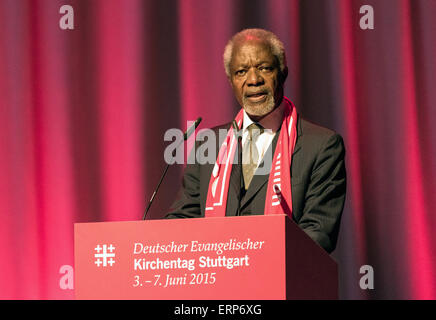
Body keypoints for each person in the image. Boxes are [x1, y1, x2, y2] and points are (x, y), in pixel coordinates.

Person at [165, 29, 346, 253]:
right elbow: (183, 220)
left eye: (264, 68)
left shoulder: (321, 146)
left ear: (283, 73)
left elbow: (318, 233)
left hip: (284, 281)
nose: (253, 80)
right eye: (241, 72)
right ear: (230, 81)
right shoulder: (209, 144)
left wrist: (261, 263)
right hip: (218, 281)